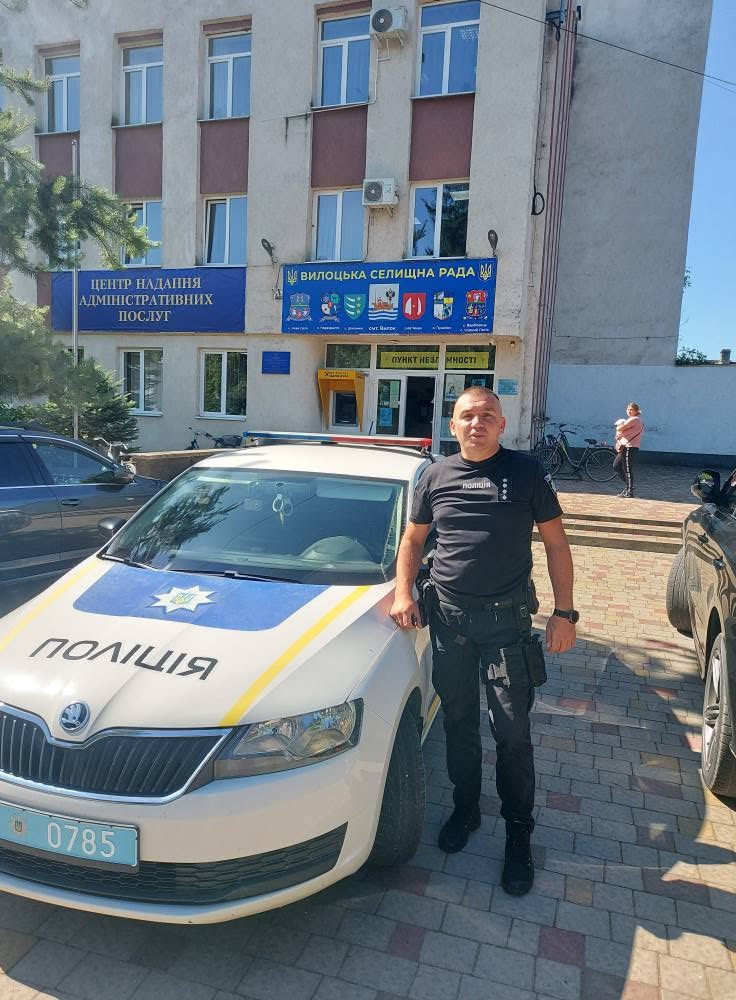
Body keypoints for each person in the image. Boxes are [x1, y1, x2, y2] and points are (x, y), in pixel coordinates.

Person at [390, 387, 577, 896]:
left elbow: (556, 544)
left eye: (487, 415)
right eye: (468, 416)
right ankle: (466, 809)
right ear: (453, 425)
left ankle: (518, 833)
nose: (477, 423)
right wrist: (403, 592)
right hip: (449, 622)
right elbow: (413, 539)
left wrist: (564, 614)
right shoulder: (434, 476)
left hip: (506, 626)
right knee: (458, 722)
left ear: (502, 424)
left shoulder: (527, 473)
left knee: (512, 733)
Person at [613, 402, 644, 498]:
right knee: (616, 466)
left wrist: (619, 428)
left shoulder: (635, 419)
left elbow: (620, 427)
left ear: (636, 411)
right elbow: (625, 432)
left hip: (630, 447)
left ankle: (629, 491)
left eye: (631, 409)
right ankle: (629, 486)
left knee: (627, 469)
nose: (629, 411)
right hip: (625, 447)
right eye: (628, 409)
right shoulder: (632, 420)